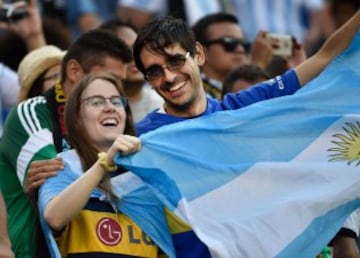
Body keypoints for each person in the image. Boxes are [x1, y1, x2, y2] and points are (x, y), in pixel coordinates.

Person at [0, 29, 132, 258]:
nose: (114, 88)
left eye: (119, 82)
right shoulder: (33, 112)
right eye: (108, 77)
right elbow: (54, 181)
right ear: (74, 70)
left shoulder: (103, 120)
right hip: (36, 250)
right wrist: (104, 161)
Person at [132, 11, 360, 135]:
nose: (169, 77)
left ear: (198, 54)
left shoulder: (241, 107)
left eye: (175, 61)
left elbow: (326, 56)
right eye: (155, 72)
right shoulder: (143, 138)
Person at [37, 72, 165, 257]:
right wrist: (104, 163)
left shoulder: (147, 175)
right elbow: (54, 218)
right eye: (96, 102)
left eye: (116, 101)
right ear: (77, 118)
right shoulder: (63, 166)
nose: (109, 108)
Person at [192, 12, 273, 99]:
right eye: (230, 42)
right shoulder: (194, 93)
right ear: (201, 52)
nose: (240, 49)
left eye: (244, 43)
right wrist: (257, 67)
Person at [99, 18, 163, 122]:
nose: (133, 57)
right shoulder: (95, 111)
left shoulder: (164, 104)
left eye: (137, 48)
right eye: (124, 50)